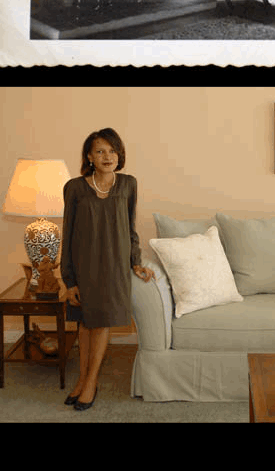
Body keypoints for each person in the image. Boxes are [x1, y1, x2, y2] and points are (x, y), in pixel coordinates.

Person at [60, 127, 154, 411]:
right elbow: (68, 233)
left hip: (113, 265)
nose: (107, 156)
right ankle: (83, 380)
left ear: (120, 154)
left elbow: (130, 227)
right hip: (83, 264)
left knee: (99, 323)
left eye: (112, 150)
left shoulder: (128, 184)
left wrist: (136, 261)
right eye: (100, 151)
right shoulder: (75, 187)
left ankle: (90, 382)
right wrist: (69, 279)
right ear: (89, 156)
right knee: (85, 324)